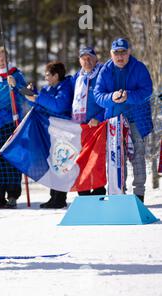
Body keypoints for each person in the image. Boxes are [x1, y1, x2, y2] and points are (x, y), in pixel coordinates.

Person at [94, 38, 153, 203]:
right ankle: (120, 193)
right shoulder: (105, 70)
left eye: (123, 53)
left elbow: (147, 90)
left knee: (138, 157)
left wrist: (128, 96)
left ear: (129, 53)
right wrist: (111, 97)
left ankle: (139, 195)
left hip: (136, 119)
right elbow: (98, 95)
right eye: (116, 53)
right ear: (111, 54)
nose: (120, 57)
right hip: (114, 121)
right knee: (116, 157)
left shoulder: (139, 68)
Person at [23, 61, 74, 209]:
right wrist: (29, 94)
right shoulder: (47, 89)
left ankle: (60, 198)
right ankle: (54, 197)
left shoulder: (65, 87)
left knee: (61, 163)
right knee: (53, 163)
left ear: (56, 75)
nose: (45, 78)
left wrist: (37, 98)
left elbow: (59, 106)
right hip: (50, 130)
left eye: (47, 75)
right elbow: (39, 105)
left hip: (63, 130)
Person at [0, 47, 27, 209]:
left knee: (12, 158)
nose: (1, 61)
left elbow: (26, 92)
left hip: (12, 122)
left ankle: (12, 194)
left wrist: (16, 85)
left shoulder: (15, 74)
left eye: (3, 59)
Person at [72, 47, 106, 196]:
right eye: (83, 58)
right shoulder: (76, 78)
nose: (86, 61)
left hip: (98, 126)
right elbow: (64, 100)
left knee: (96, 161)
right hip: (81, 127)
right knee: (82, 160)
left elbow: (110, 100)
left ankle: (99, 191)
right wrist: (35, 96)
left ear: (96, 58)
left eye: (89, 57)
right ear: (79, 61)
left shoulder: (103, 75)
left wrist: (99, 117)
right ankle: (83, 192)